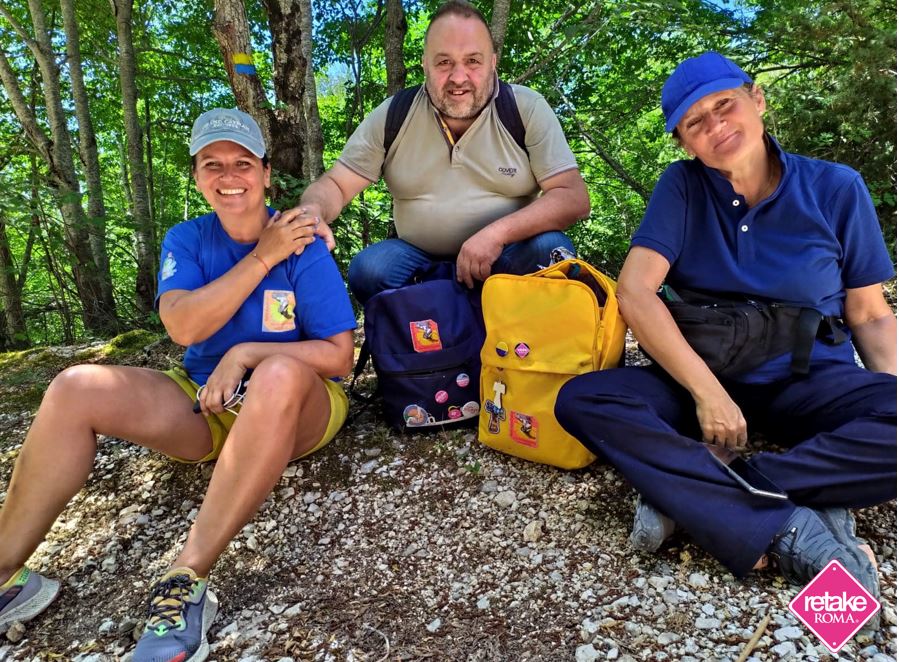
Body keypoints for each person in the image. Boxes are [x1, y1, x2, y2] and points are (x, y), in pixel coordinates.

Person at [0, 108, 356, 661]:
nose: (228, 174)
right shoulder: (187, 239)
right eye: (212, 163)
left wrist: (246, 352)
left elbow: (338, 356)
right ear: (196, 175)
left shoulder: (302, 238)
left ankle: (185, 582)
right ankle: (4, 574)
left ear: (265, 172)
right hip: (203, 400)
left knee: (279, 371)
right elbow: (184, 326)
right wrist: (263, 257)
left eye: (242, 162)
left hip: (298, 406)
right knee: (74, 385)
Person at [555, 52, 896, 596]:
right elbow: (635, 291)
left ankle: (704, 494)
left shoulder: (836, 188)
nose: (716, 126)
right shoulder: (682, 188)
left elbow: (871, 314)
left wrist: (883, 401)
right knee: (582, 400)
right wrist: (709, 393)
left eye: (725, 105)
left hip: (808, 382)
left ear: (757, 101)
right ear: (683, 142)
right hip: (701, 380)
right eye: (695, 122)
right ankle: (793, 519)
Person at [283, 0, 589, 304]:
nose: (458, 77)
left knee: (551, 248)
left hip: (507, 258)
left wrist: (495, 235)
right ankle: (439, 328)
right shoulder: (394, 115)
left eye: (473, 61)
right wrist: (313, 211)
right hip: (421, 263)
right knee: (369, 269)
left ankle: (496, 330)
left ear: (493, 63)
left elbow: (572, 197)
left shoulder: (525, 109)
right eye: (444, 62)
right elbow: (336, 185)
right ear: (425, 65)